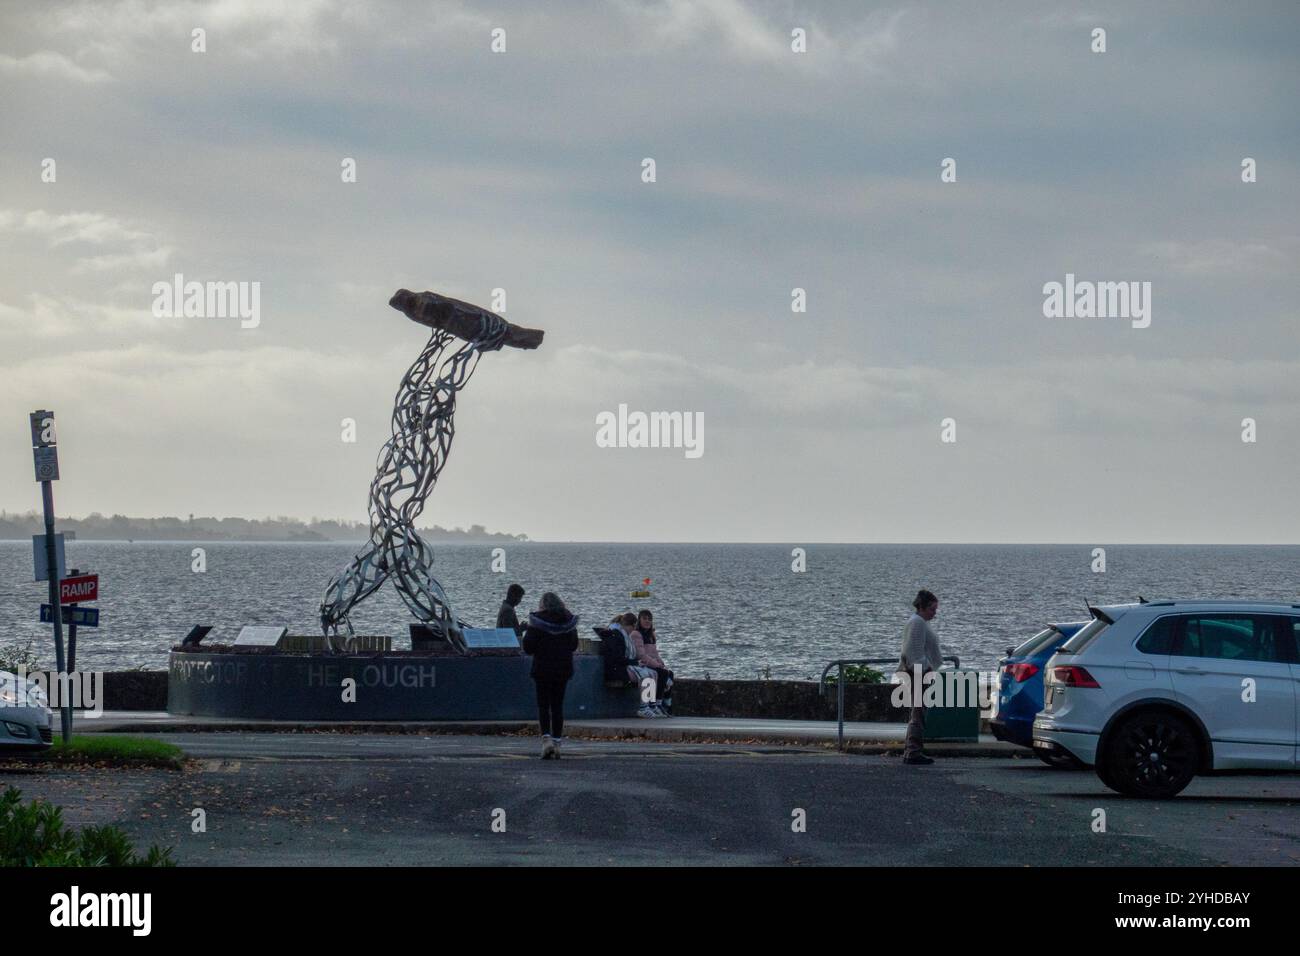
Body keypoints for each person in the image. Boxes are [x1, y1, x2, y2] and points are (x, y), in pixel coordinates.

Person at [521, 592, 579, 759]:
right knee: (557, 706)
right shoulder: (569, 622)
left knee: (543, 705)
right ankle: (558, 743)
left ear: (543, 605)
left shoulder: (537, 623)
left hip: (542, 668)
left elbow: (528, 647)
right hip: (563, 669)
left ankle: (546, 741)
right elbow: (574, 645)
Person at [897, 588, 943, 765]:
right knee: (918, 713)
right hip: (918, 674)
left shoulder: (918, 621)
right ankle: (913, 751)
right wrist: (926, 668)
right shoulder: (918, 623)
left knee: (918, 712)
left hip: (918, 672)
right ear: (922, 607)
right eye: (932, 609)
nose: (934, 613)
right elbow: (912, 651)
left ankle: (912, 750)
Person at [614, 612, 663, 718]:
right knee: (646, 675)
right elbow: (619, 658)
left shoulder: (625, 636)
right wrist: (636, 663)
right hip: (618, 669)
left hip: (628, 666)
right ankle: (643, 708)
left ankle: (651, 705)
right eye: (633, 627)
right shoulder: (617, 635)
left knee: (653, 673)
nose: (633, 630)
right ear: (629, 625)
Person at [637, 609, 674, 716]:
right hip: (643, 664)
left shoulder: (651, 635)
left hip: (652, 663)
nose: (647, 621)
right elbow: (642, 655)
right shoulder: (637, 634)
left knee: (669, 673)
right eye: (644, 618)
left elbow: (655, 653)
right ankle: (655, 705)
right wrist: (657, 665)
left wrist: (661, 663)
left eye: (650, 619)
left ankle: (666, 703)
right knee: (661, 673)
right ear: (639, 620)